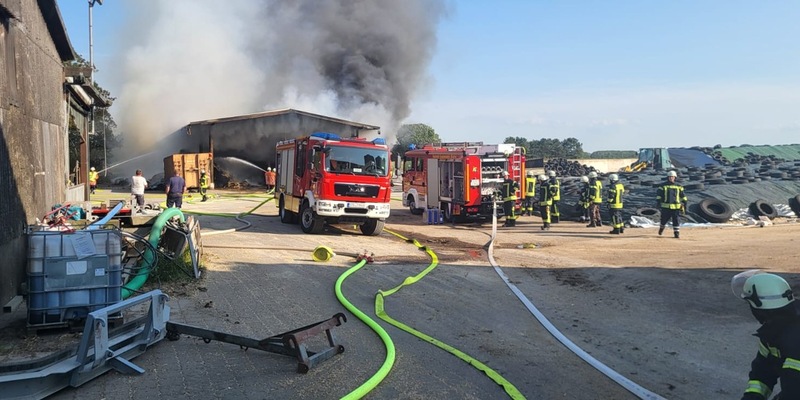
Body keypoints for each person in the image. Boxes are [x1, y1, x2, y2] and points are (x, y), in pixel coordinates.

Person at [731, 270, 800, 400]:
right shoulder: (772, 333)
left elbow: (794, 391)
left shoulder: (793, 339)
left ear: (758, 307)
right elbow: (763, 372)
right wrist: (753, 396)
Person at [656, 170, 687, 238]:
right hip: (666, 207)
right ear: (668, 177)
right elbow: (659, 195)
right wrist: (658, 202)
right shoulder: (663, 186)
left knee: (676, 220)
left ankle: (676, 233)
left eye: (672, 177)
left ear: (675, 177)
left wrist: (685, 202)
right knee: (663, 220)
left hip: (676, 207)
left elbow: (683, 196)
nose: (671, 178)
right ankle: (661, 228)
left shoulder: (679, 186)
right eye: (670, 177)